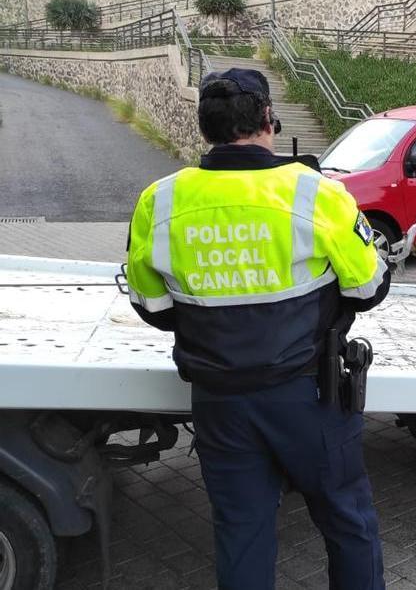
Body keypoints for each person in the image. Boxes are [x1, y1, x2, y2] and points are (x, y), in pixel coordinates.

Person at [124, 68, 390, 589]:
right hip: (308, 394)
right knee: (346, 520)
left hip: (219, 402)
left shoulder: (160, 200)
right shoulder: (317, 193)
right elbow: (369, 289)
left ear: (205, 129)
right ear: (268, 120)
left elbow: (153, 308)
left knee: (241, 533)